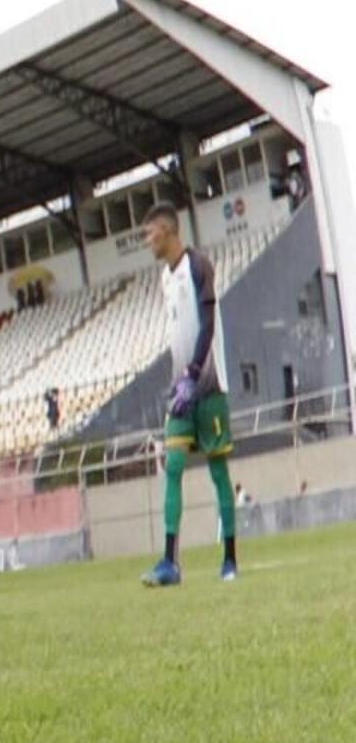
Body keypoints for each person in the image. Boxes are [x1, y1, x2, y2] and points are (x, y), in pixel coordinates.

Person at [141, 201, 238, 585]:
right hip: (180, 391)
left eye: (149, 233)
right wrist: (178, 380)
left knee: (218, 471)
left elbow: (208, 324)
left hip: (208, 386)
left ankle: (230, 559)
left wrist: (194, 373)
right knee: (174, 467)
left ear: (166, 230)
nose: (147, 240)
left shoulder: (198, 266)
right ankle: (170, 563)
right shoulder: (165, 277)